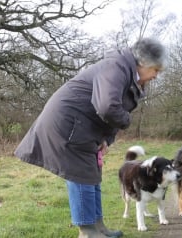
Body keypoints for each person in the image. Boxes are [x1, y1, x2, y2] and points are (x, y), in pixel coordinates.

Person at [14, 38, 167, 237]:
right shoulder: (117, 68)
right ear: (145, 63)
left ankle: (99, 228)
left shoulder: (126, 72)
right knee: (81, 175)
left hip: (82, 125)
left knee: (92, 175)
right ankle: (87, 232)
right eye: (156, 70)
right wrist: (126, 120)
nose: (156, 76)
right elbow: (107, 106)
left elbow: (110, 109)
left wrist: (106, 139)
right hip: (69, 124)